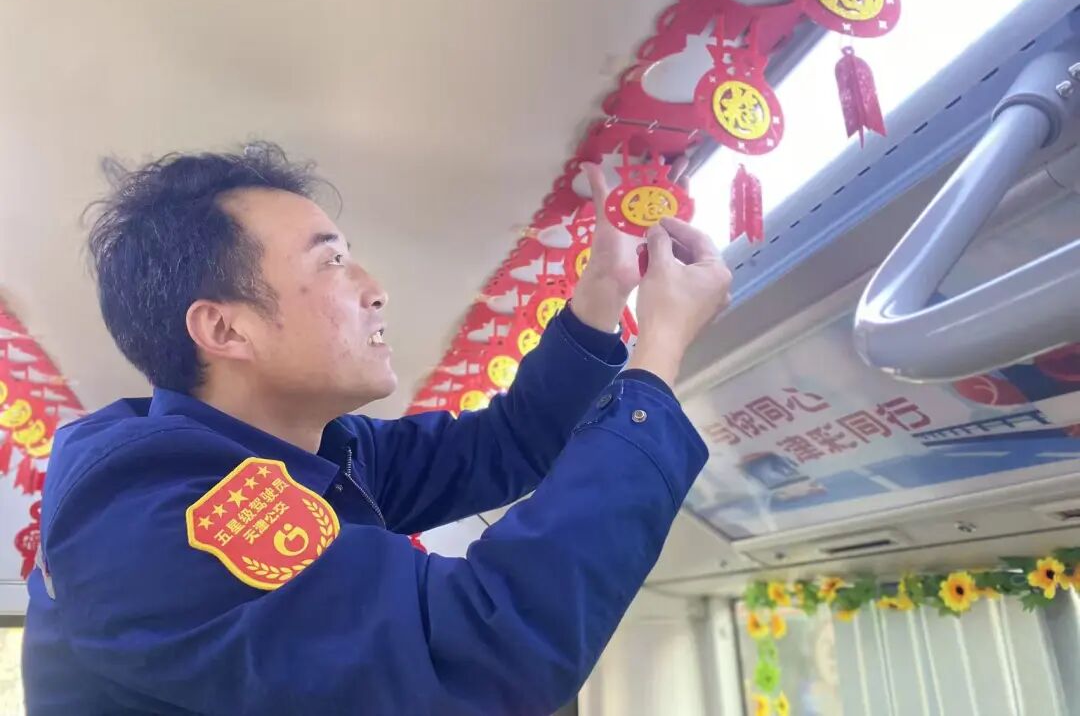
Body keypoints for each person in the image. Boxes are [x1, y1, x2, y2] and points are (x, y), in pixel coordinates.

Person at [22, 143, 731, 715]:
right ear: (225, 329)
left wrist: (603, 295)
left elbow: (506, 444)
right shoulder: (152, 519)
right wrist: (659, 352)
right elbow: (482, 649)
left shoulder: (317, 450)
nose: (375, 288)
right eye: (331, 260)